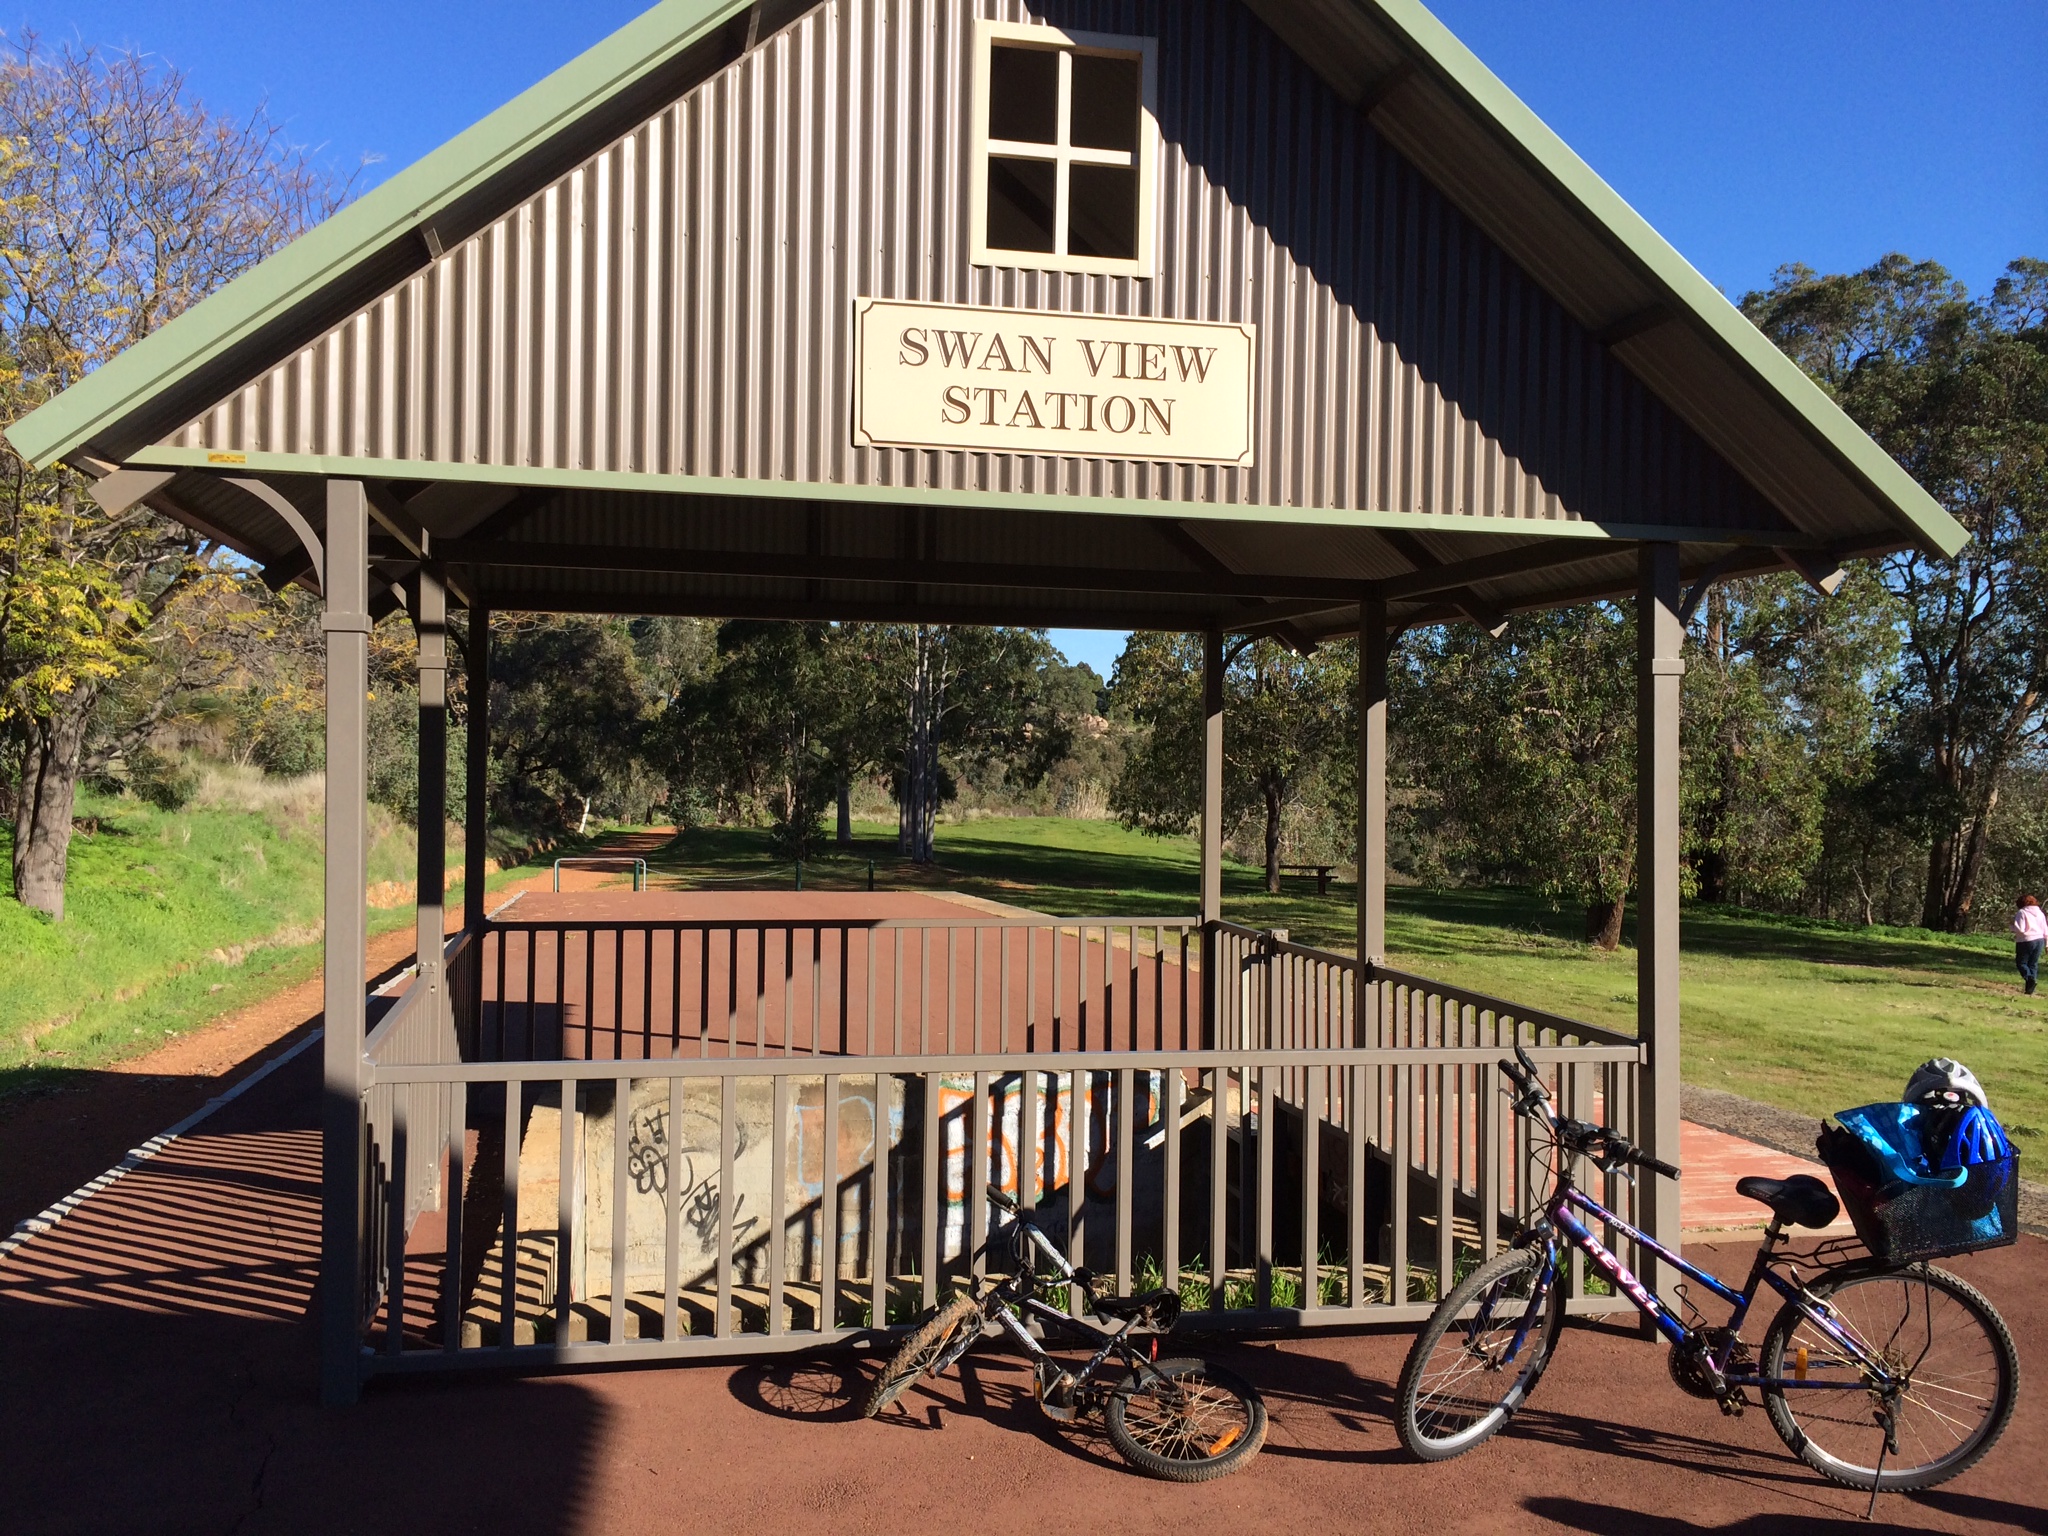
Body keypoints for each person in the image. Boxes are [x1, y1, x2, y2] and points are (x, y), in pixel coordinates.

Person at [2012, 895, 2047, 995]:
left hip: (2026, 940)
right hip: (2039, 939)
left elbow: (2020, 929)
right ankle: (2030, 989)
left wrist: (2012, 926)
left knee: (2021, 963)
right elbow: (2045, 929)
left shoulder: (2022, 912)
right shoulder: (2040, 913)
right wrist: (2047, 944)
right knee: (2033, 964)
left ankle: (2029, 978)